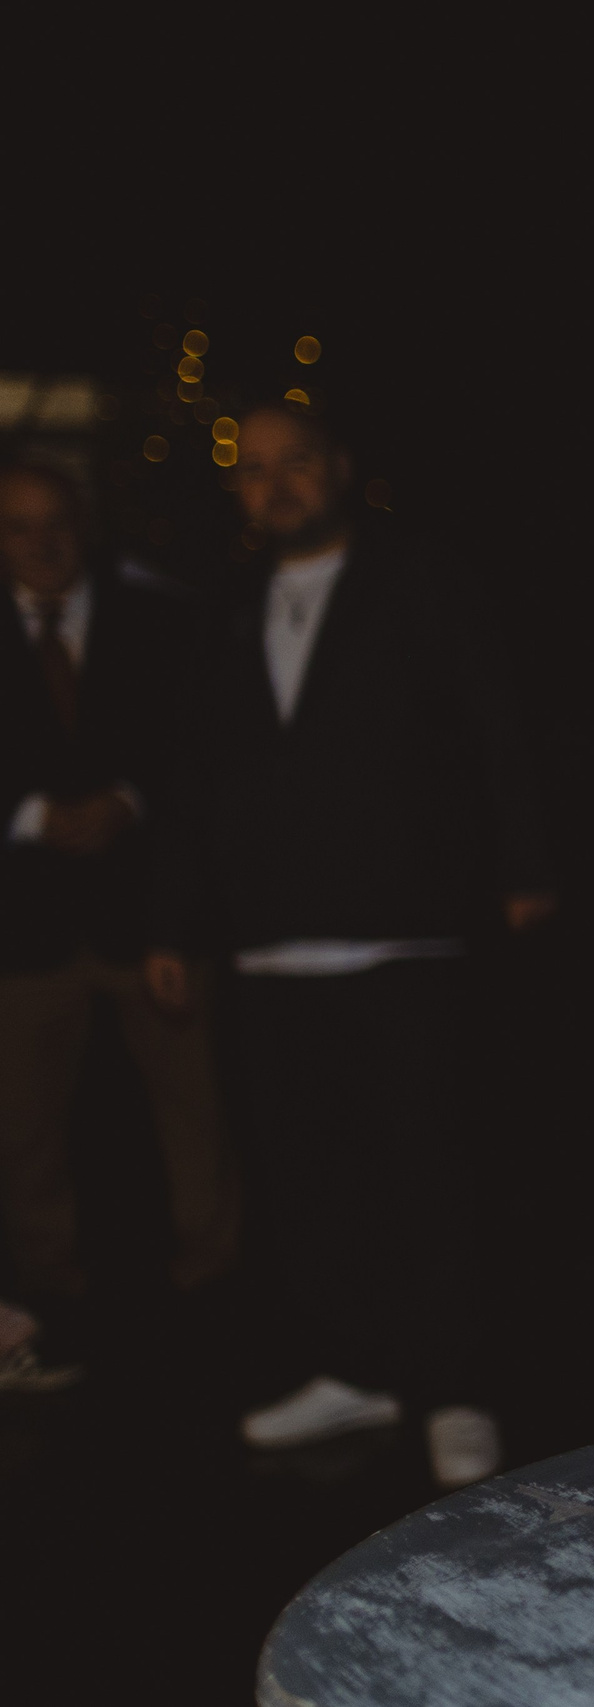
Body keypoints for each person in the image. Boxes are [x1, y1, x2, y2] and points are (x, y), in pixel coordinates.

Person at [183, 403, 553, 1488]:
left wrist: (524, 867)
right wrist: (176, 920)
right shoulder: (226, 602)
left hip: (401, 932)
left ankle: (453, 1391)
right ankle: (353, 1368)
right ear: (237, 490)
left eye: (296, 462)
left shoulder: (423, 576)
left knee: (426, 1173)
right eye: (254, 471)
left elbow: (495, 721)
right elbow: (192, 768)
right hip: (265, 947)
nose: (277, 484)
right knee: (305, 1177)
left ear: (339, 468)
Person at [0, 458, 236, 1389]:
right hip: (21, 927)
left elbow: (196, 748)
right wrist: (29, 817)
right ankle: (47, 1303)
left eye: (57, 522)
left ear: (86, 522)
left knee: (195, 1108)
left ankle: (214, 1292)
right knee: (23, 1128)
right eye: (19, 526)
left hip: (151, 917)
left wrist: (130, 802)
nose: (42, 542)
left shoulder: (160, 613)